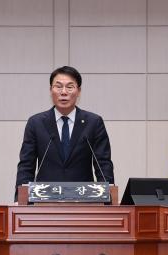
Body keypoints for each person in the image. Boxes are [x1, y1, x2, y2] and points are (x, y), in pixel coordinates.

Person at [14, 66, 114, 199]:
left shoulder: (93, 122)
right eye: (58, 86)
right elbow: (26, 166)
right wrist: (20, 200)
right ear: (51, 90)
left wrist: (108, 199)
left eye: (70, 87)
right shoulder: (36, 123)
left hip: (84, 200)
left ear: (78, 91)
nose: (64, 92)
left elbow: (103, 165)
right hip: (44, 201)